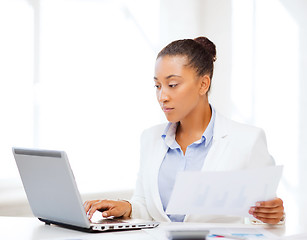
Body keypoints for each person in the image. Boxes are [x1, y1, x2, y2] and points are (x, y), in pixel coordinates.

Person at [84, 37, 284, 224]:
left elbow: (261, 218)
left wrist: (275, 216)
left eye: (172, 85)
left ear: (203, 84)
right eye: (157, 86)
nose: (162, 96)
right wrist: (127, 208)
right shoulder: (150, 138)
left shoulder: (247, 141)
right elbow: (146, 207)